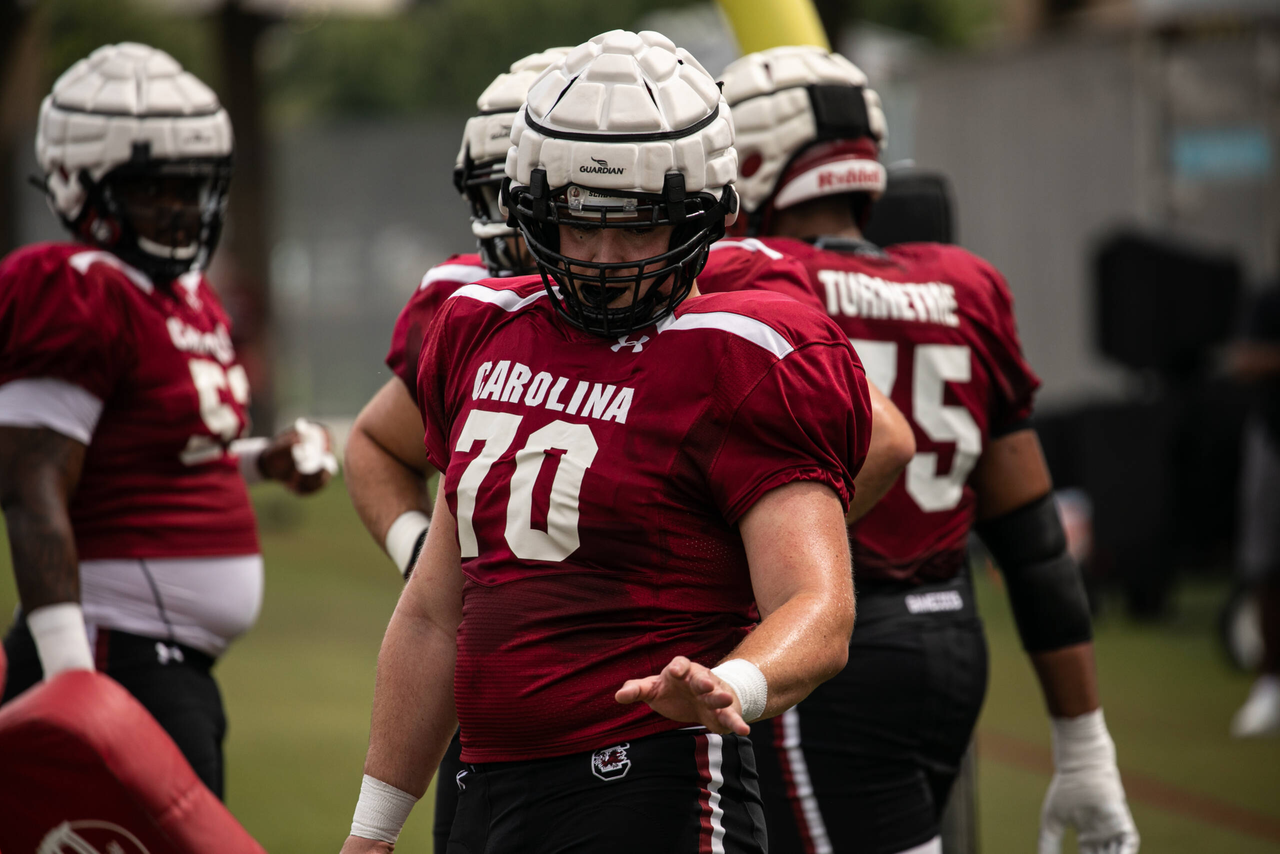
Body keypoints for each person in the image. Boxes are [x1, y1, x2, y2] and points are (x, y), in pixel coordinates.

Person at [340, 30, 886, 853]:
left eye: (639, 229)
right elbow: (431, 613)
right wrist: (372, 830)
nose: (602, 259)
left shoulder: (746, 353)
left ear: (710, 214)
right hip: (485, 789)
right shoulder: (478, 327)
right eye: (575, 225)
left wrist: (734, 679)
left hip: (652, 789)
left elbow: (819, 606)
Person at [718, 45, 1140, 854]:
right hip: (951, 638)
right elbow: (1034, 540)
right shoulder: (966, 284)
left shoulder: (753, 276)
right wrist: (1084, 740)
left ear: (750, 160)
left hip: (832, 644)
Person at [0, 43, 335, 800]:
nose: (183, 210)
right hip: (112, 651)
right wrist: (69, 678)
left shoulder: (178, 290)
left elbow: (158, 451)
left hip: (159, 659)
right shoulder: (76, 287)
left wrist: (261, 461)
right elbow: (32, 482)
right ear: (79, 186)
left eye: (196, 187)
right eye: (156, 189)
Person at [1228, 281, 1280, 738]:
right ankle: (1269, 686)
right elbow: (1243, 360)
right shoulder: (1269, 299)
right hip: (1273, 441)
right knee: (1266, 567)